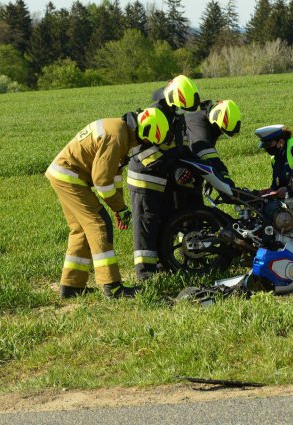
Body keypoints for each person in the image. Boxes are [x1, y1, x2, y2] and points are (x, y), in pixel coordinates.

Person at [46, 107, 169, 299]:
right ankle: (112, 287)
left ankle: (71, 287)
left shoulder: (121, 130)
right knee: (99, 225)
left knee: (80, 230)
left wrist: (118, 207)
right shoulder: (116, 136)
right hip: (70, 177)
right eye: (146, 141)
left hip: (62, 174)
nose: (142, 145)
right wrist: (120, 207)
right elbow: (102, 181)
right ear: (144, 133)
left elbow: (114, 173)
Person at [127, 76, 200, 281]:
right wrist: (175, 170)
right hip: (145, 179)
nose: (181, 111)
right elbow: (145, 151)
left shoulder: (175, 115)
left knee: (163, 222)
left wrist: (189, 166)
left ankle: (162, 264)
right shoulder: (154, 114)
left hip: (162, 178)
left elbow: (181, 146)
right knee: (146, 225)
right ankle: (145, 274)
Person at [174, 99, 242, 207]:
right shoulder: (198, 123)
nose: (219, 134)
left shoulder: (205, 120)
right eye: (220, 130)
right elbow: (209, 157)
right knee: (189, 213)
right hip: (179, 177)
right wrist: (229, 187)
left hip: (187, 174)